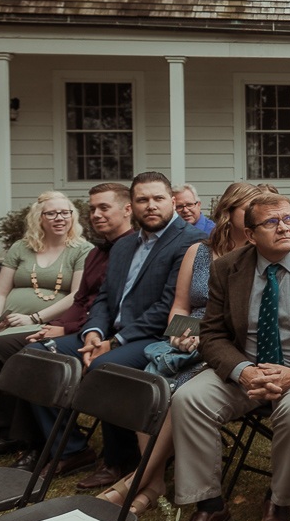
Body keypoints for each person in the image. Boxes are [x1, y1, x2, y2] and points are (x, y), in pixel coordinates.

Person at [171, 193, 290, 521]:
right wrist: (241, 371)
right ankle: (210, 504)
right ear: (251, 235)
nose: (284, 226)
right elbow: (211, 332)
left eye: (287, 219)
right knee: (187, 398)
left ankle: (280, 499)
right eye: (271, 222)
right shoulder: (228, 268)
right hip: (246, 367)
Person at [24, 173, 205, 487]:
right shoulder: (124, 246)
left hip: (155, 336)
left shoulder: (189, 241)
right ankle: (70, 449)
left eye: (158, 198)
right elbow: (105, 297)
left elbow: (169, 306)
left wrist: (115, 340)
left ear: (172, 202)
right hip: (110, 334)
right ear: (131, 207)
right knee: (36, 357)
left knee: (106, 367)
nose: (151, 206)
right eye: (142, 200)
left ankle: (121, 459)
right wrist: (93, 332)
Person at [97, 182, 260, 515]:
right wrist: (180, 334)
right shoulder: (198, 251)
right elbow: (180, 306)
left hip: (228, 345)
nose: (261, 219)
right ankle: (154, 481)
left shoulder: (261, 257)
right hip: (188, 339)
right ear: (229, 212)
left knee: (177, 391)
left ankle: (138, 480)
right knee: (148, 384)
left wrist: (207, 337)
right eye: (251, 211)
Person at [0, 182, 135, 466]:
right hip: (79, 326)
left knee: (32, 356)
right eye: (92, 208)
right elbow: (83, 299)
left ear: (127, 210)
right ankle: (15, 433)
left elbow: (113, 306)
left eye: (103, 208)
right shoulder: (98, 253)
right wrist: (58, 325)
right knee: (7, 350)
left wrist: (65, 328)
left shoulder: (129, 250)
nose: (95, 214)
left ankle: (56, 444)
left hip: (110, 335)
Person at [0, 193, 93, 450]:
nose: (59, 218)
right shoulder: (21, 247)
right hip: (5, 320)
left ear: (73, 216)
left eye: (65, 212)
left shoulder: (81, 250)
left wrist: (34, 317)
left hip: (43, 323)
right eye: (51, 213)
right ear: (38, 219)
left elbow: (76, 295)